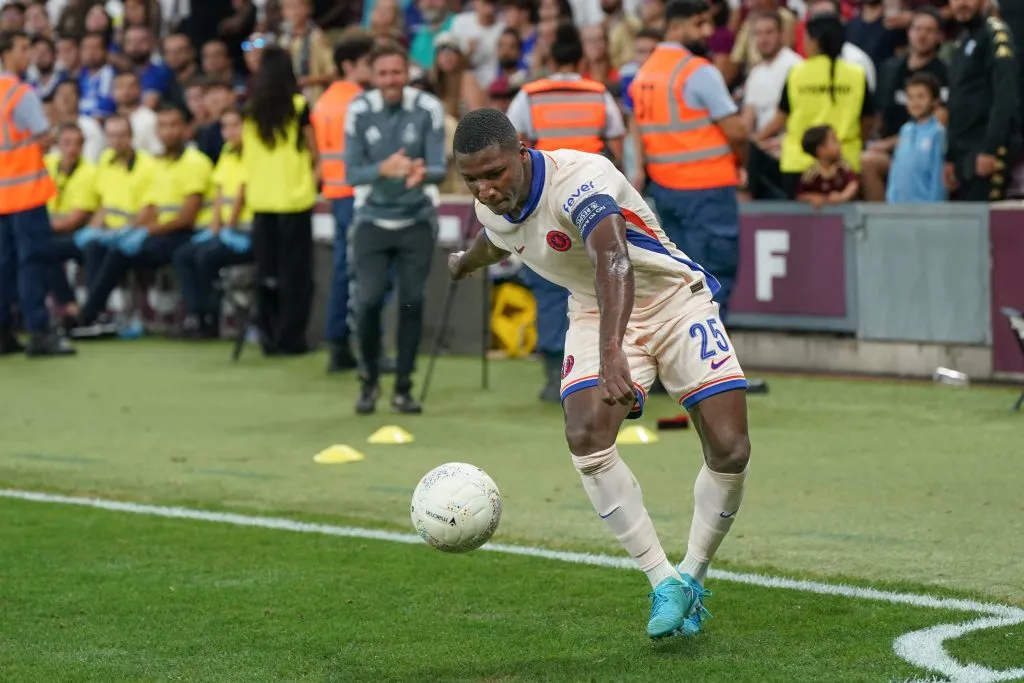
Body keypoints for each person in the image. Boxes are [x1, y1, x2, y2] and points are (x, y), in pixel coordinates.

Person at [449, 108, 751, 639]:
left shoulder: (579, 179)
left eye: (494, 173)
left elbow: (613, 256)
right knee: (585, 434)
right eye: (472, 180)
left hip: (673, 301)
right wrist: (464, 263)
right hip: (594, 310)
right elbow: (495, 239)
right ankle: (663, 581)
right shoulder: (490, 206)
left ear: (522, 153)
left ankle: (693, 573)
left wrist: (613, 351)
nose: (486, 189)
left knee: (730, 447)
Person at [506, 20, 627, 402]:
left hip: (544, 201)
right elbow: (618, 145)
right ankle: (600, 370)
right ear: (581, 59)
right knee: (602, 282)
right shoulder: (598, 93)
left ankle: (552, 375)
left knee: (549, 285)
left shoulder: (529, 95)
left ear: (549, 58)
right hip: (592, 200)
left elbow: (512, 148)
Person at [344, 42, 447, 415]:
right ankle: (369, 380)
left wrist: (422, 172)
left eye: (396, 73)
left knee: (411, 302)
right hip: (371, 219)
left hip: (416, 219)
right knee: (368, 301)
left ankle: (403, 387)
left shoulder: (428, 107)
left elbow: (440, 167)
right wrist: (382, 169)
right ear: (372, 76)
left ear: (407, 74)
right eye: (383, 73)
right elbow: (351, 173)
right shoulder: (358, 109)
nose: (390, 80)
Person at [628, 0, 747, 323]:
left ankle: (684, 353)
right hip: (707, 189)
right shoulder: (697, 71)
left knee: (681, 282)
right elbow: (736, 132)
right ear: (676, 27)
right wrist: (743, 162)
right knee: (714, 278)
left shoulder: (645, 73)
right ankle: (712, 354)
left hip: (667, 190)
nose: (708, 31)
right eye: (699, 23)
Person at [75, 105, 212, 329]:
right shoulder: (160, 164)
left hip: (185, 233)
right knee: (99, 248)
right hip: (159, 233)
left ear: (186, 129)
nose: (168, 132)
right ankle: (97, 315)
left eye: (174, 125)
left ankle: (88, 314)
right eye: (163, 126)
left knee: (119, 253)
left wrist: (144, 231)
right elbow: (153, 207)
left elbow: (187, 217)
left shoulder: (194, 162)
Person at [0, 30, 74, 357]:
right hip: (25, 192)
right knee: (33, 261)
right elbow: (44, 137)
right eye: (22, 48)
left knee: (4, 264)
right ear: (6, 53)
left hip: (2, 195)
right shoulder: (20, 94)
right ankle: (39, 330)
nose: (27, 54)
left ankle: (3, 331)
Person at [241, 46, 319, 356]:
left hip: (261, 201)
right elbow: (314, 153)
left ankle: (268, 336)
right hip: (294, 200)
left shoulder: (250, 112)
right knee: (295, 275)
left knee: (267, 273)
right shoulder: (298, 107)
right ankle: (292, 338)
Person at [313, 32, 374, 373]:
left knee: (343, 269)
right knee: (361, 272)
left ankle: (339, 343)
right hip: (357, 193)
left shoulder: (325, 100)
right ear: (349, 65)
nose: (374, 68)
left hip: (336, 193)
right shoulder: (359, 101)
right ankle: (360, 346)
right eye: (368, 63)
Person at [768, 12, 872, 198]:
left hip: (798, 163)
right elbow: (868, 120)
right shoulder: (857, 74)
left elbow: (781, 117)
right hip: (845, 164)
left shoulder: (797, 72)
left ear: (814, 41)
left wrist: (757, 138)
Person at [172, 109, 254, 338]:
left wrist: (229, 228)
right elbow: (219, 191)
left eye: (235, 125)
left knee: (206, 256)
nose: (230, 132)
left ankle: (212, 318)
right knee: (183, 255)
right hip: (225, 229)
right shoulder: (227, 151)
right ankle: (196, 315)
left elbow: (242, 193)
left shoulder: (252, 153)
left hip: (245, 231)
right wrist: (215, 226)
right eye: (225, 127)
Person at [944, 0, 1020, 202]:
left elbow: (1005, 96)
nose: (961, 3)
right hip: (962, 153)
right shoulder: (962, 40)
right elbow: (956, 102)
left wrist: (991, 149)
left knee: (986, 218)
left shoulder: (995, 33)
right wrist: (950, 157)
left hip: (984, 148)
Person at [45, 123, 99, 325]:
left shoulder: (89, 172)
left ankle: (71, 307)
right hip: (50, 231)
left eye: (77, 143)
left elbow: (75, 220)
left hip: (77, 234)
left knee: (43, 250)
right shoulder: (47, 164)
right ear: (57, 145)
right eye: (66, 143)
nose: (72, 149)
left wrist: (37, 227)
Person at [886, 72, 946, 204]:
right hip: (899, 206)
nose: (915, 102)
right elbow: (896, 169)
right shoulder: (905, 130)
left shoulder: (937, 132)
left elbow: (938, 175)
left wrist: (936, 207)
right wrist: (891, 198)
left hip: (925, 206)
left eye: (921, 97)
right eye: (910, 97)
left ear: (934, 101)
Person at [794, 125, 860, 208]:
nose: (839, 144)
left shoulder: (843, 167)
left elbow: (853, 184)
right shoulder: (811, 173)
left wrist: (842, 196)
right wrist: (813, 197)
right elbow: (800, 195)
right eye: (835, 141)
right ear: (821, 149)